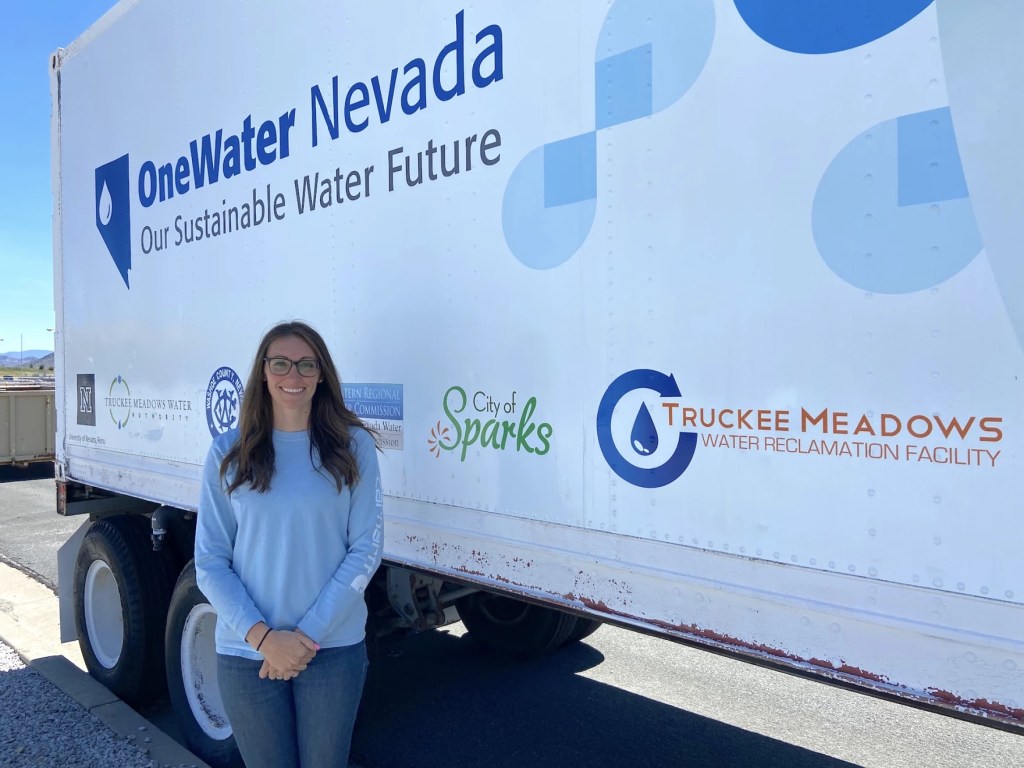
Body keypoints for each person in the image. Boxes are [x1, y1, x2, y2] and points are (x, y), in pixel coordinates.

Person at [195, 320, 383, 768]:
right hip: (248, 653)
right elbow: (211, 562)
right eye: (280, 363)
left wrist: (304, 638)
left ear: (321, 374)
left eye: (305, 365)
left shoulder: (352, 446)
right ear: (263, 372)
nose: (293, 375)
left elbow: (366, 550)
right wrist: (264, 639)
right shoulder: (229, 452)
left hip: (331, 648)